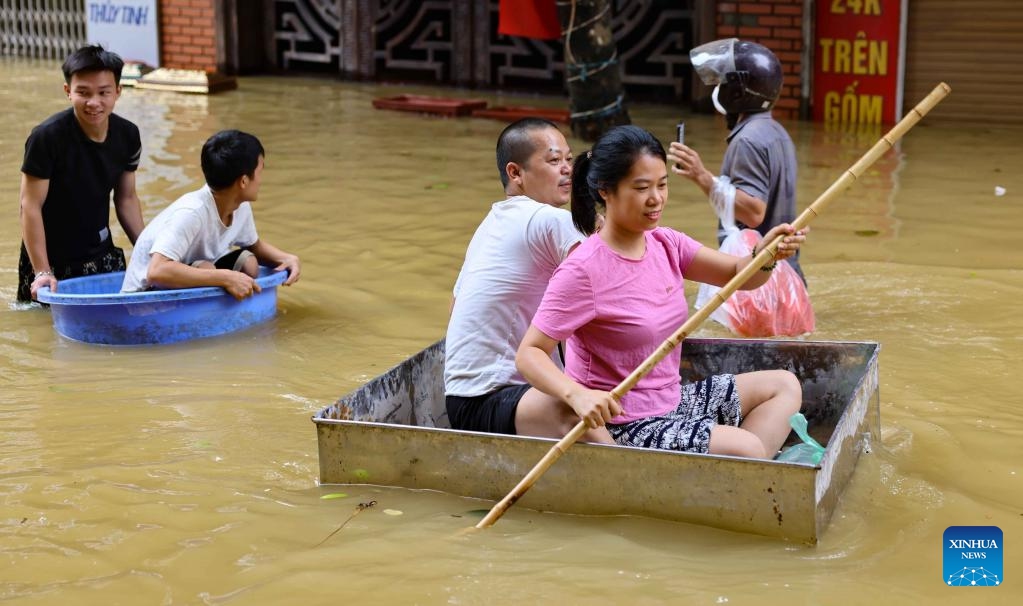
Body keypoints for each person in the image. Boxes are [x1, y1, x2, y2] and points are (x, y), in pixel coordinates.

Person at [516, 125, 806, 459]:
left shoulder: (666, 243)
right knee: (748, 447)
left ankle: (741, 472)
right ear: (605, 191)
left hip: (674, 401)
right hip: (625, 423)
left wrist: (766, 256)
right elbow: (530, 353)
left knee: (784, 385)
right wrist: (576, 395)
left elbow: (740, 275)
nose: (656, 198)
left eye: (662, 184)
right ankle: (745, 464)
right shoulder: (583, 269)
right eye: (642, 188)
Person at [445, 118, 614, 444]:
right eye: (553, 161)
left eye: (568, 159)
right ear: (515, 173)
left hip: (460, 400)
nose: (567, 170)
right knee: (579, 413)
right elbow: (607, 293)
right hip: (492, 397)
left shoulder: (490, 223)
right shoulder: (551, 219)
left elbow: (454, 308)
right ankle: (632, 478)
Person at [668, 38, 805, 283]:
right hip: (787, 278)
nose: (718, 87)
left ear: (738, 91)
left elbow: (753, 213)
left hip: (760, 282)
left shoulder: (747, 140)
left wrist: (701, 176)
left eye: (723, 82)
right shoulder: (778, 133)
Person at [18, 44, 145, 303]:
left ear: (118, 92)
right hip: (49, 259)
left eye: (103, 92)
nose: (94, 103)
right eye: (83, 93)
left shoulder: (128, 135)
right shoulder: (46, 138)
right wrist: (42, 271)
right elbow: (30, 205)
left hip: (102, 253)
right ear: (68, 91)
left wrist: (150, 253)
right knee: (43, 331)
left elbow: (127, 199)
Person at [120, 130, 300, 298]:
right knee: (207, 268)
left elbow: (255, 247)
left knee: (249, 263)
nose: (261, 180)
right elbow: (156, 271)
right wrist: (225, 278)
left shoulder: (240, 205)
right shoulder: (191, 212)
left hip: (187, 273)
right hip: (143, 295)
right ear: (244, 181)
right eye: (260, 172)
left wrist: (286, 259)